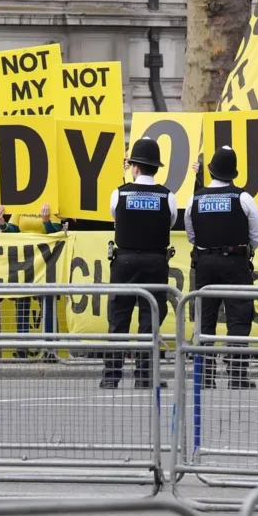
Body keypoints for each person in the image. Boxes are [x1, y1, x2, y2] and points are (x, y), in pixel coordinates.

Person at [185, 146, 258, 390]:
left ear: (211, 170)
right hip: (235, 262)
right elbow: (257, 236)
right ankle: (237, 375)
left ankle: (205, 375)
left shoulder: (195, 198)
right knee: (238, 319)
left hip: (205, 263)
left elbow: (191, 234)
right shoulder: (243, 198)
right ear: (233, 173)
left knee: (205, 319)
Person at [101, 137, 175, 390]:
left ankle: (111, 375)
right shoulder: (168, 196)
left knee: (119, 319)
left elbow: (115, 216)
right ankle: (144, 375)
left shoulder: (119, 193)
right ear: (156, 166)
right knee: (150, 318)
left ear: (134, 166)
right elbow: (171, 221)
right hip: (155, 261)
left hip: (124, 260)